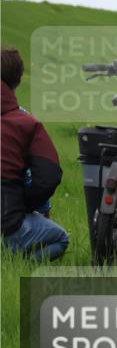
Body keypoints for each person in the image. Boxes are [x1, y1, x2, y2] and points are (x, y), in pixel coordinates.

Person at [1, 47, 68, 261]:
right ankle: (17, 263)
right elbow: (48, 177)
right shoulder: (26, 122)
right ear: (19, 79)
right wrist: (25, 206)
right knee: (61, 239)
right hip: (7, 221)